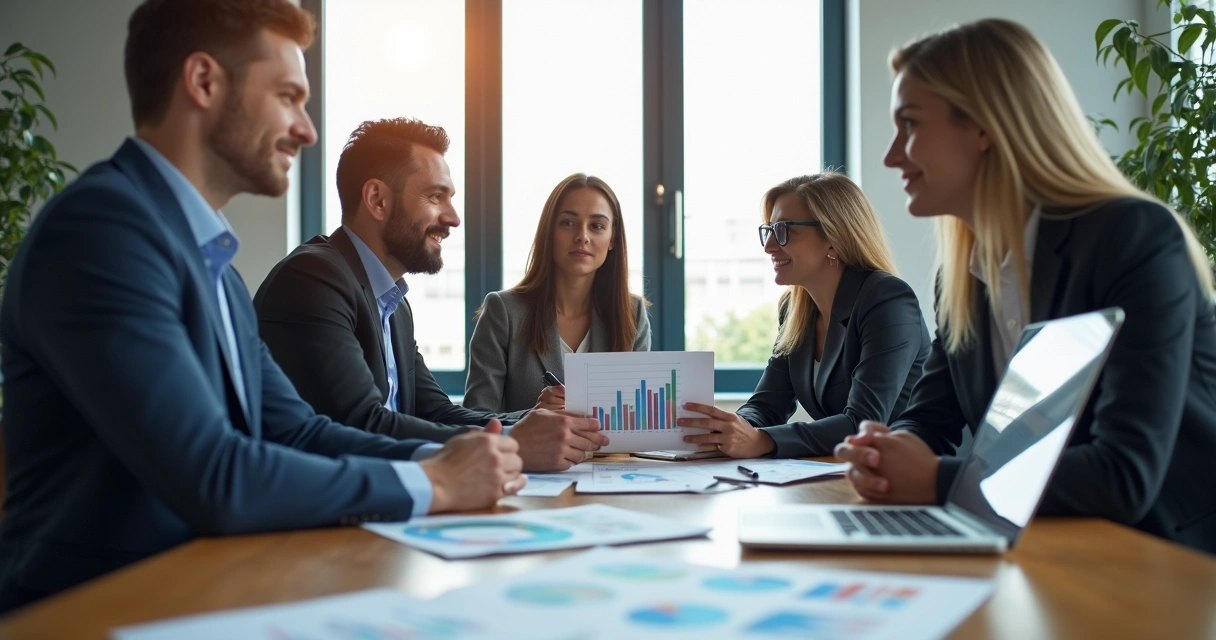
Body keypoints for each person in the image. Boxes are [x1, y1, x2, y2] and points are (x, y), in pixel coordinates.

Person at [0, 0, 523, 612]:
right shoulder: (102, 232)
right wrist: (430, 481)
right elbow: (214, 473)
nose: (306, 129)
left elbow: (297, 430)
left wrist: (448, 455)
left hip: (206, 585)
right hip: (96, 608)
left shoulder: (210, 259)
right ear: (203, 82)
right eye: (286, 96)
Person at [833, 18, 1216, 554]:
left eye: (911, 124)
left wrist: (939, 480)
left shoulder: (1129, 238)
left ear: (986, 127)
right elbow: (931, 418)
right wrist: (884, 455)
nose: (892, 155)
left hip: (1164, 561)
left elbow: (1123, 474)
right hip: (1043, 549)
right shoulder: (961, 280)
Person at [255, 121, 607, 472]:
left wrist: (535, 420)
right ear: (377, 199)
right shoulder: (315, 280)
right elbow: (362, 423)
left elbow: (437, 412)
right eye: (436, 197)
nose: (453, 218)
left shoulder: (393, 304)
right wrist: (511, 443)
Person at [677, 172, 930, 458]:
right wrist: (729, 429)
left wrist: (763, 440)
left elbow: (864, 423)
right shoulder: (795, 309)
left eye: (783, 230)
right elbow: (767, 405)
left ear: (833, 238)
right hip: (844, 470)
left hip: (907, 472)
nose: (768, 246)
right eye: (768, 230)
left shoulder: (887, 299)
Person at [463, 173, 650, 414]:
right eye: (568, 223)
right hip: (527, 453)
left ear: (612, 238)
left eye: (597, 226)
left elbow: (640, 416)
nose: (582, 236)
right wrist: (532, 418)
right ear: (549, 232)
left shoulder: (632, 314)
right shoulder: (504, 312)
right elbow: (476, 418)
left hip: (611, 453)